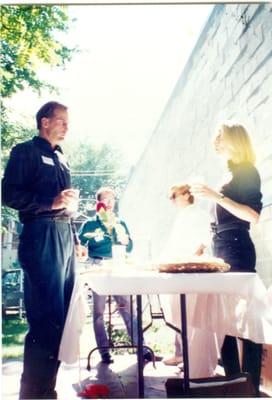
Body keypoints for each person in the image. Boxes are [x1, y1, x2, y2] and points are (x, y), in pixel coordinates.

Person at [2, 101, 87, 399]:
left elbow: (65, 204)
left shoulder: (62, 159)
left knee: (61, 320)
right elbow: (8, 194)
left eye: (68, 122)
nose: (66, 126)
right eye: (61, 121)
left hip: (64, 237)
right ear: (44, 122)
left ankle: (46, 390)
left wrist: (75, 238)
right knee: (44, 319)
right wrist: (49, 203)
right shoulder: (24, 152)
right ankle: (33, 394)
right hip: (41, 236)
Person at [190, 120, 263, 393]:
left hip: (237, 248)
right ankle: (234, 381)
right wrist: (204, 245)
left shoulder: (247, 172)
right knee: (224, 320)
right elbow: (220, 218)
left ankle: (250, 384)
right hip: (221, 248)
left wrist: (215, 195)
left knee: (245, 319)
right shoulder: (231, 173)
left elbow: (252, 215)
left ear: (235, 139)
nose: (215, 142)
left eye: (220, 136)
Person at [78, 187, 155, 364]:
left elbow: (129, 247)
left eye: (112, 199)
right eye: (106, 199)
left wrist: (127, 242)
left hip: (118, 266)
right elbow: (80, 246)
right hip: (98, 267)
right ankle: (104, 352)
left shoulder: (120, 223)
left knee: (126, 307)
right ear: (99, 203)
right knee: (98, 312)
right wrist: (81, 250)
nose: (110, 203)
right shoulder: (90, 224)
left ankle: (141, 348)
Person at [160, 184, 219, 378]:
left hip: (192, 270)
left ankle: (195, 360)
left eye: (174, 196)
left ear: (186, 195)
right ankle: (182, 355)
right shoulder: (182, 215)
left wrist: (192, 257)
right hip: (179, 268)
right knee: (178, 312)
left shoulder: (198, 213)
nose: (171, 200)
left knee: (193, 314)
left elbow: (204, 238)